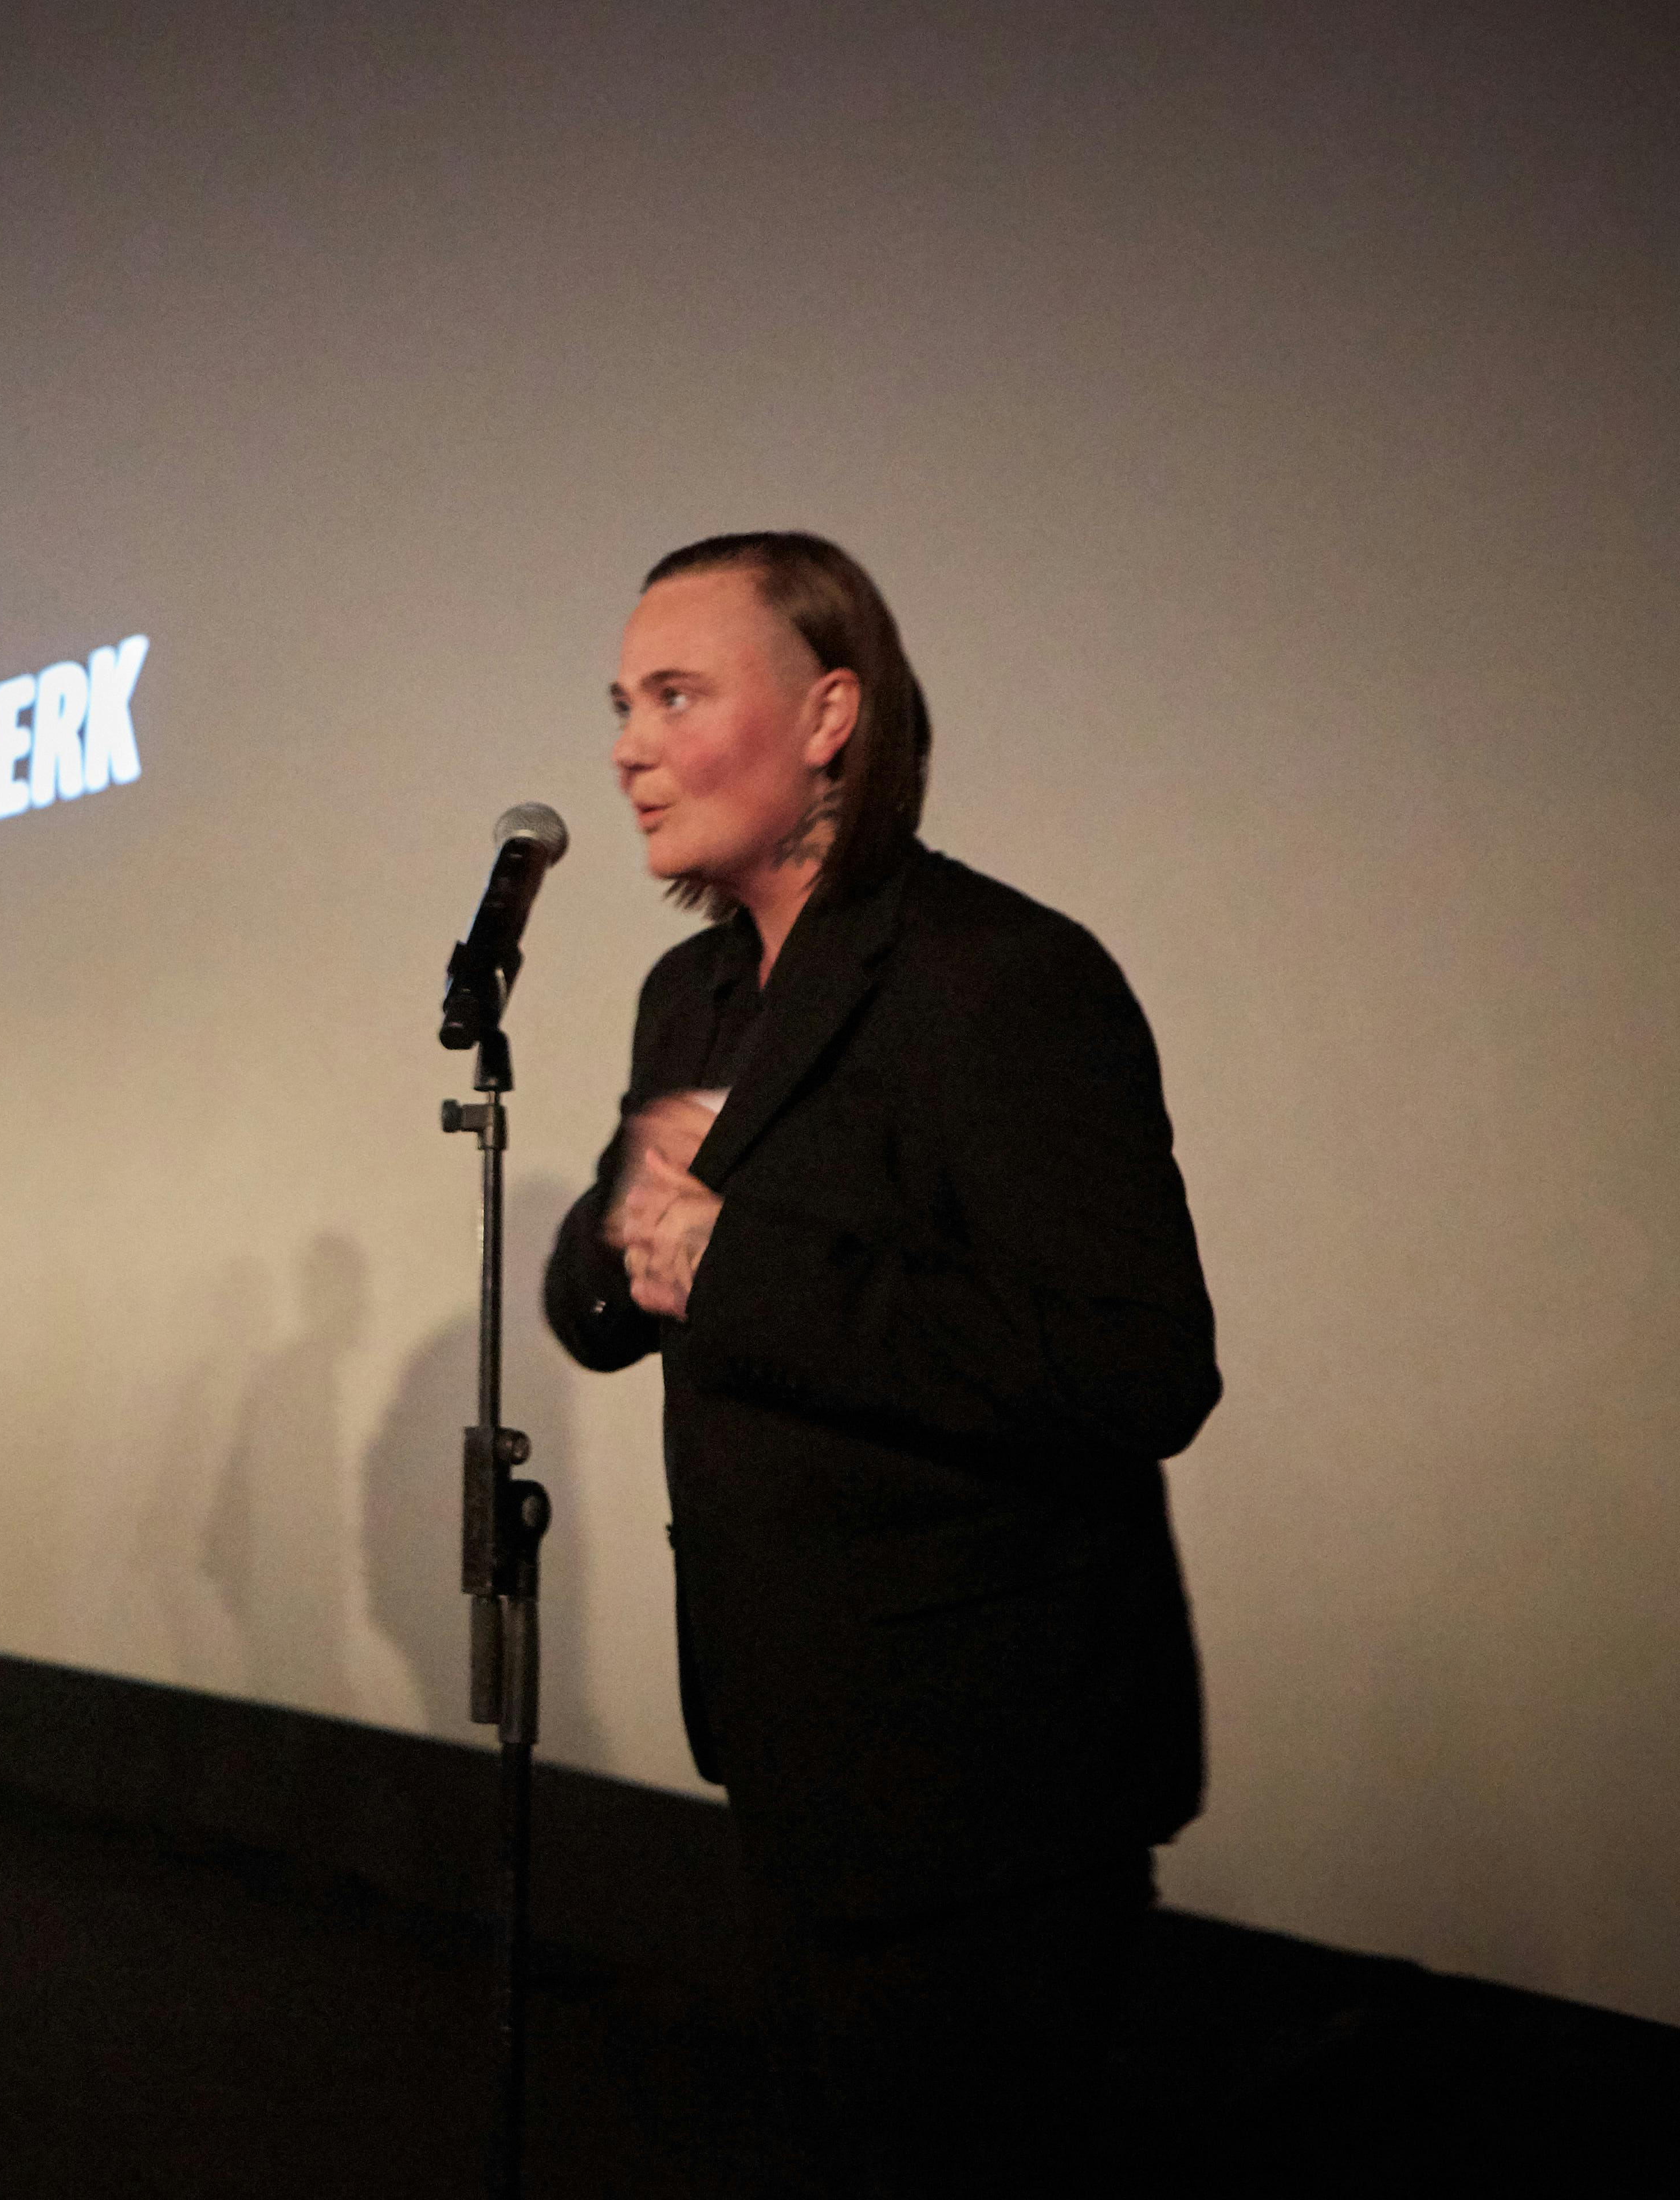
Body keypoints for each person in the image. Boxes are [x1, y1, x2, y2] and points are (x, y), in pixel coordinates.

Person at [542, 533, 1221, 2195]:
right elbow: (601, 1299)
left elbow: (1137, 1365)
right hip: (792, 1746)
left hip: (991, 1780)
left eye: (675, 696)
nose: (626, 747)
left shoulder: (999, 976)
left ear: (829, 713)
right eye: (621, 704)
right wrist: (631, 1229)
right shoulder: (694, 992)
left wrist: (738, 1261)